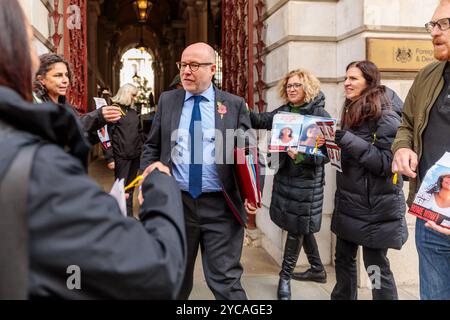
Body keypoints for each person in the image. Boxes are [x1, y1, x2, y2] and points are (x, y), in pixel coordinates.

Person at [0, 0, 186, 299]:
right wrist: (160, 186)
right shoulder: (32, 159)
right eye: (26, 36)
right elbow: (157, 272)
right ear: (14, 51)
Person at [140, 42, 256, 300]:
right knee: (174, 280)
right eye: (183, 65)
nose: (186, 71)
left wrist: (252, 192)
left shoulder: (234, 105)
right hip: (178, 205)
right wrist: (149, 178)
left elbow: (247, 151)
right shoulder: (168, 100)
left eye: (194, 65)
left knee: (226, 281)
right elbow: (152, 146)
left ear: (212, 69)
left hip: (221, 207)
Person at [249, 69, 329, 300]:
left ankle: (285, 277)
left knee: (296, 229)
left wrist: (301, 155)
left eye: (297, 85)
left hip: (307, 185)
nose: (292, 89)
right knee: (299, 226)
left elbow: (324, 156)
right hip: (285, 179)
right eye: (289, 86)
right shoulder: (284, 112)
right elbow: (262, 120)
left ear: (308, 88)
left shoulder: (318, 114)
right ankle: (317, 269)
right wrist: (240, 109)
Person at [331, 60, 408, 300]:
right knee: (343, 259)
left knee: (374, 267)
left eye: (353, 78)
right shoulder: (351, 107)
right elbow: (352, 155)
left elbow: (387, 164)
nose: (346, 83)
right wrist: (326, 147)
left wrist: (346, 141)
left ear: (369, 81)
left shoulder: (386, 112)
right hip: (350, 204)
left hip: (375, 208)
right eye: (346, 78)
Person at [392, 0, 450, 299]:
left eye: (444, 24)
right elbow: (406, 123)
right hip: (431, 216)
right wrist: (402, 148)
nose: (435, 33)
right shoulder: (428, 74)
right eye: (432, 25)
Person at [33, 53, 122, 143]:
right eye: (58, 75)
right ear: (41, 80)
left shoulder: (64, 104)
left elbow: (80, 137)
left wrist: (106, 124)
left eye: (66, 75)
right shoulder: (36, 104)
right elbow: (62, 131)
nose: (65, 80)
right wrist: (98, 116)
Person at [104, 84, 144, 217]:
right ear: (126, 94)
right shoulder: (114, 111)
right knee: (120, 190)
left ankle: (129, 217)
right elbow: (106, 135)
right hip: (121, 157)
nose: (135, 98)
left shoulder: (134, 113)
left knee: (131, 189)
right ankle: (118, 218)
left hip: (135, 157)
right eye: (133, 95)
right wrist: (109, 158)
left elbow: (139, 134)